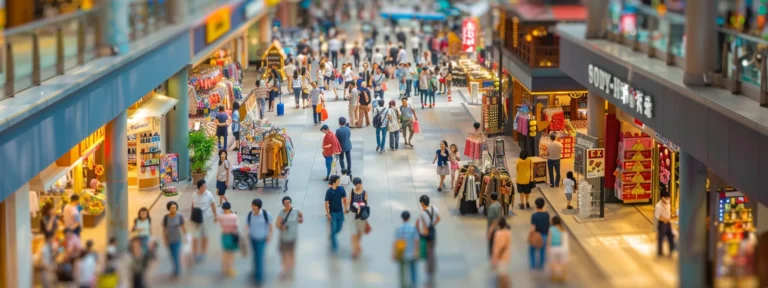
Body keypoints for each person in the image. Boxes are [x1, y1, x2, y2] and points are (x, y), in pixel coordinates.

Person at [246, 198, 273, 284]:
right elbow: (247, 225)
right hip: (252, 238)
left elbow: (270, 225)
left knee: (259, 257)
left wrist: (269, 236)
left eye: (254, 206)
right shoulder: (250, 214)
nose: (253, 207)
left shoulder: (266, 214)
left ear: (258, 207)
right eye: (252, 205)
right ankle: (255, 272)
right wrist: (246, 235)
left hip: (261, 239)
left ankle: (259, 277)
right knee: (255, 256)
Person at [276, 196, 303, 277]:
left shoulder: (296, 211)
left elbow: (301, 216)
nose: (287, 204)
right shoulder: (282, 212)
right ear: (283, 204)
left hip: (293, 236)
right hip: (284, 237)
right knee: (284, 253)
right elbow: (277, 224)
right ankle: (284, 268)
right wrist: (282, 227)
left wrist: (300, 220)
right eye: (285, 203)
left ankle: (291, 268)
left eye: (288, 202)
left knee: (292, 252)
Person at [191, 179, 217, 262]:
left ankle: (203, 253)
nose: (206, 186)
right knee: (195, 235)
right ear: (200, 187)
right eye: (204, 185)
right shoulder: (194, 195)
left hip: (205, 216)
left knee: (205, 235)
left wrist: (215, 215)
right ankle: (195, 253)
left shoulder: (208, 194)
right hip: (197, 217)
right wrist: (192, 216)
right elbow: (192, 205)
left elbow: (213, 205)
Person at [416, 195, 440, 281]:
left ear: (422, 203)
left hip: (427, 235)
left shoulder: (422, 213)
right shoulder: (434, 208)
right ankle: (432, 269)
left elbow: (419, 225)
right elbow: (438, 218)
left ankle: (429, 271)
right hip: (433, 232)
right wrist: (432, 225)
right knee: (432, 252)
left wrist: (421, 233)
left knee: (428, 253)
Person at [393, 210, 419, 288]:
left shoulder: (399, 228)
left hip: (402, 252)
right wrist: (416, 251)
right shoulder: (413, 228)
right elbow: (416, 241)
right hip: (412, 252)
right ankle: (413, 283)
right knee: (413, 268)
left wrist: (394, 253)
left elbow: (396, 242)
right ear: (409, 218)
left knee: (402, 269)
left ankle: (403, 284)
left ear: (402, 218)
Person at [162, 200, 186, 277]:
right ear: (169, 209)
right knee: (172, 255)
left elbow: (183, 227)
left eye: (175, 208)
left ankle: (177, 271)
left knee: (176, 255)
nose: (174, 209)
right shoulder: (166, 218)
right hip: (169, 239)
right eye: (172, 208)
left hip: (177, 239)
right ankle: (176, 269)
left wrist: (185, 236)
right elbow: (164, 229)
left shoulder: (179, 216)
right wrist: (165, 240)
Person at [347, 177, 369, 258]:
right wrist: (346, 209)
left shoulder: (364, 193)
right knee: (354, 233)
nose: (358, 185)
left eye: (359, 184)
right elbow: (349, 201)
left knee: (359, 232)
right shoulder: (352, 192)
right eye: (357, 184)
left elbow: (366, 203)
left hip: (361, 215)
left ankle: (358, 245)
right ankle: (354, 250)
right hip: (353, 214)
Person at [325, 175, 348, 253]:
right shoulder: (329, 192)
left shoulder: (341, 189)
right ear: (334, 182)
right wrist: (328, 213)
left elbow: (345, 199)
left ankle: (332, 235)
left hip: (340, 212)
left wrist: (345, 208)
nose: (339, 182)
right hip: (333, 213)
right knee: (334, 228)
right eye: (338, 181)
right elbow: (326, 203)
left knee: (339, 228)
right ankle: (335, 247)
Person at [217, 202, 239, 278]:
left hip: (224, 235)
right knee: (231, 254)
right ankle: (231, 269)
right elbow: (236, 226)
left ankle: (224, 269)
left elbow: (220, 224)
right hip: (232, 235)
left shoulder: (221, 217)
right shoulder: (234, 217)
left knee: (225, 253)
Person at [490, 217, 512, 287]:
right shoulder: (508, 232)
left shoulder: (498, 234)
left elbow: (496, 247)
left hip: (499, 256)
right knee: (504, 273)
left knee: (501, 276)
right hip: (506, 255)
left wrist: (494, 258)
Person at [529, 197, 550, 270]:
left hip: (537, 236)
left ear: (536, 205)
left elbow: (533, 227)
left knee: (532, 250)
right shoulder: (547, 215)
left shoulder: (534, 215)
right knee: (542, 251)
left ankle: (533, 265)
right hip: (544, 235)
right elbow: (548, 225)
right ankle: (541, 265)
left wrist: (530, 235)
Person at [549, 215, 569, 283]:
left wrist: (548, 247)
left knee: (553, 262)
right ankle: (563, 276)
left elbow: (549, 239)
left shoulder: (551, 229)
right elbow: (565, 241)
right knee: (563, 263)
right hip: (563, 249)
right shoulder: (563, 230)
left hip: (554, 248)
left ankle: (554, 276)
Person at [655, 191, 675, 257]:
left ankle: (672, 250)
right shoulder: (658, 206)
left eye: (669, 197)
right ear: (662, 197)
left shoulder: (668, 204)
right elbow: (658, 216)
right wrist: (666, 219)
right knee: (661, 238)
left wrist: (671, 216)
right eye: (666, 197)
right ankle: (660, 252)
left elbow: (668, 212)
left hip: (668, 223)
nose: (668, 199)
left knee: (670, 236)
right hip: (662, 224)